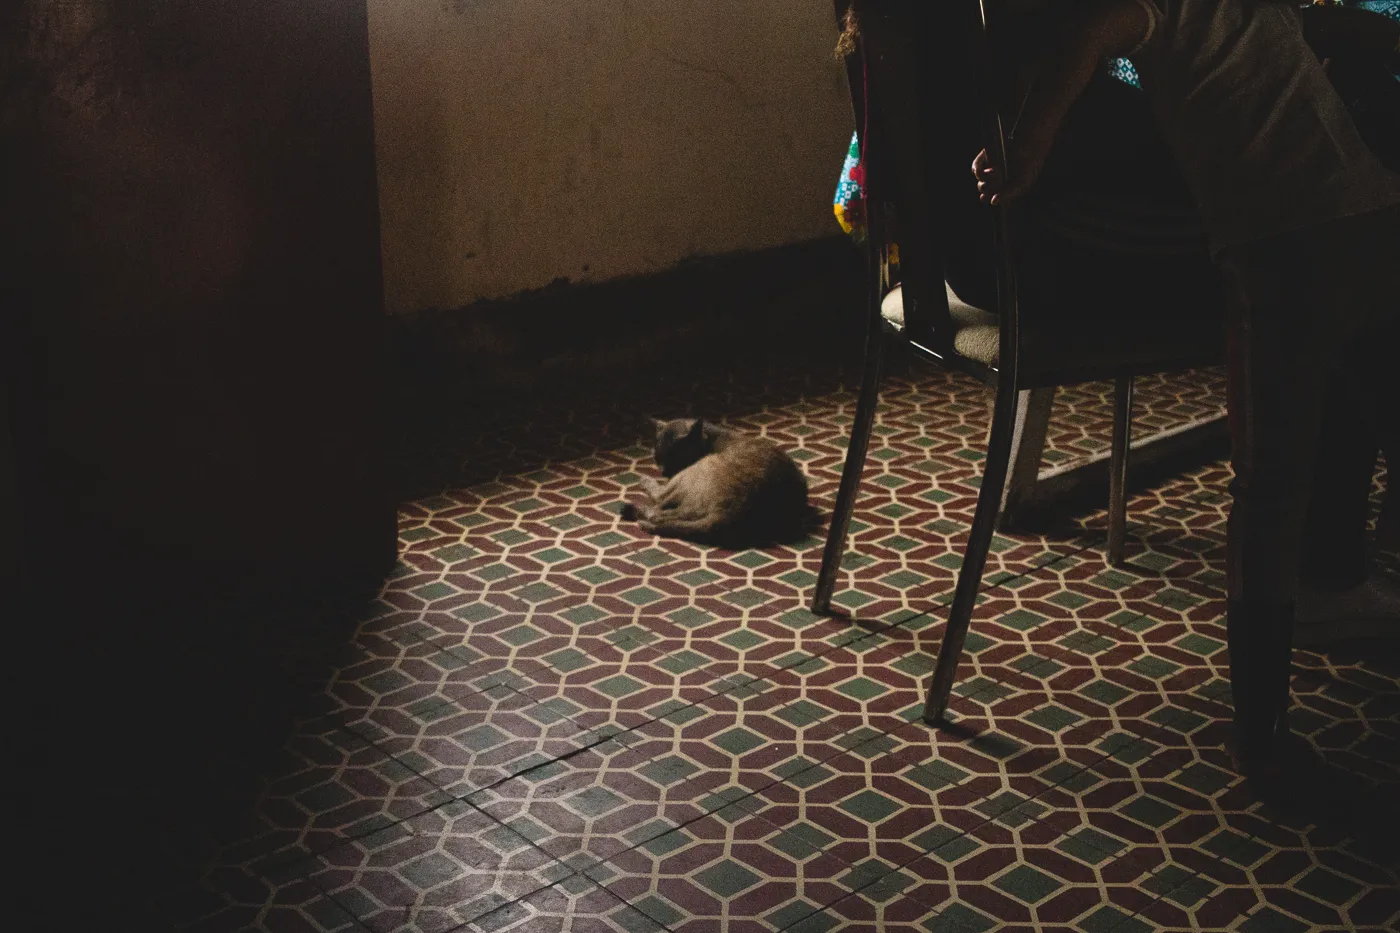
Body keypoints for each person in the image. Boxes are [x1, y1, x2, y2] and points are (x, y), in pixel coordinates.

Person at [972, 0, 1400, 781]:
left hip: (1283, 247)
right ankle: (1326, 605)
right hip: (1370, 222)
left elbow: (1087, 36)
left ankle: (1262, 731)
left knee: (1267, 495)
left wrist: (1028, 143)